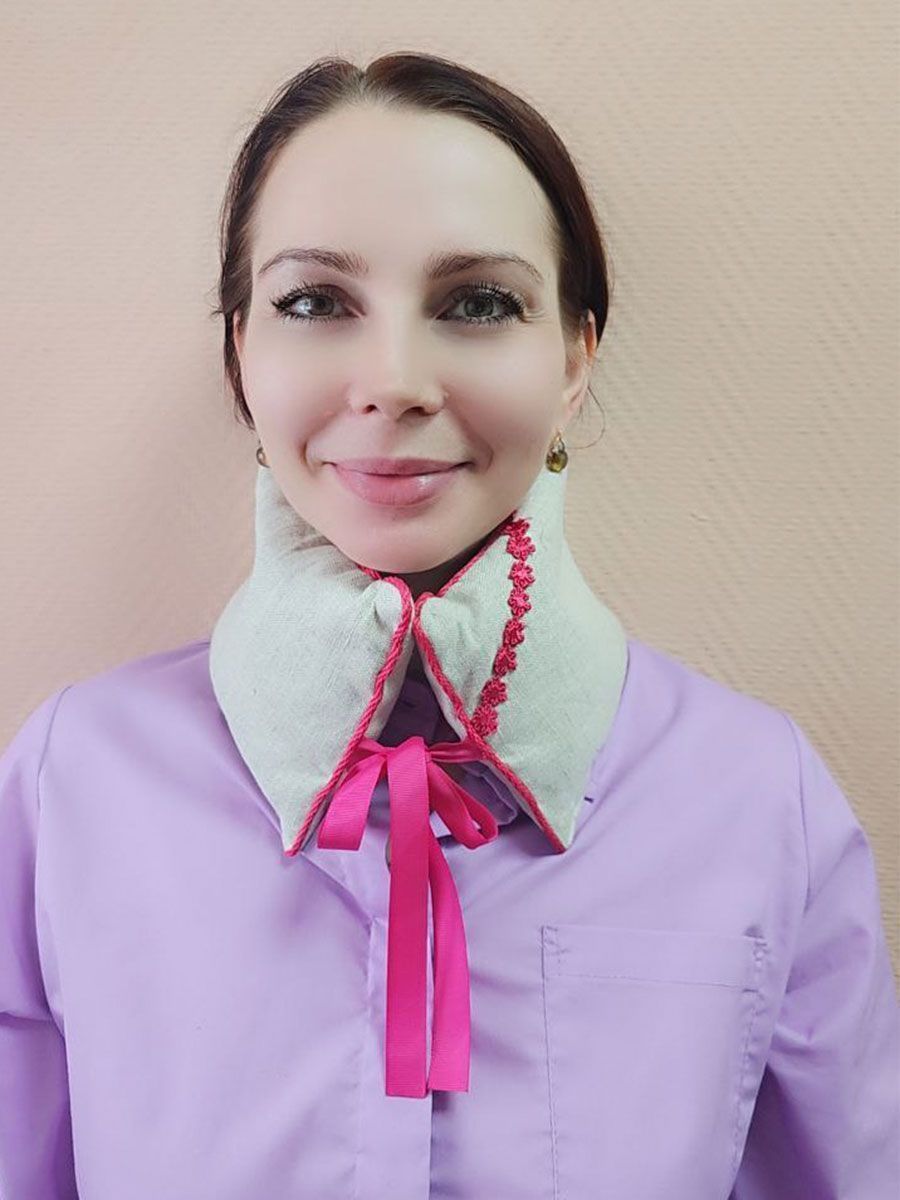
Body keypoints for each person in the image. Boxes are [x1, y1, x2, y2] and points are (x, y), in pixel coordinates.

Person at [1, 51, 897, 1200]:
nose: (395, 379)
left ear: (574, 358)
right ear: (240, 352)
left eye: (478, 303)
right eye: (314, 302)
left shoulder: (761, 800)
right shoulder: (72, 786)